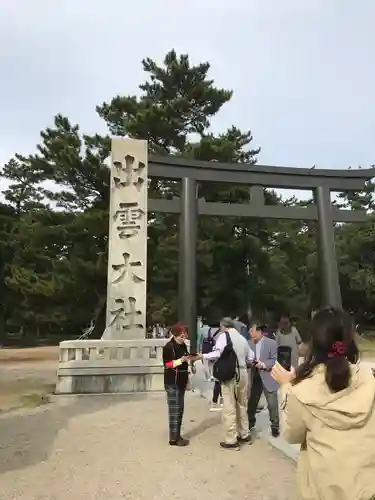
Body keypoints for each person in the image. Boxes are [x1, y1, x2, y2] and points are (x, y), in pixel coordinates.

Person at [271, 307, 375, 500]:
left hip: (324, 489)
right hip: (367, 487)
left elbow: (291, 434)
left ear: (315, 341)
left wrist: (287, 387)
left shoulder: (302, 392)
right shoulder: (370, 378)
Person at [194, 317, 254, 449]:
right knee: (242, 405)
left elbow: (216, 353)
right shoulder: (242, 338)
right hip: (243, 373)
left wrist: (202, 356)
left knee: (229, 406)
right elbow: (251, 356)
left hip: (231, 374)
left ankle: (231, 439)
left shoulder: (224, 336)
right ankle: (244, 433)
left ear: (223, 326)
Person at [162, 323, 193, 447]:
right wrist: (181, 360)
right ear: (175, 335)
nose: (183, 338)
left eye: (184, 336)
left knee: (180, 409)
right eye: (181, 336)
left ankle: (177, 435)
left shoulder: (183, 345)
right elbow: (167, 364)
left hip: (182, 380)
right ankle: (173, 437)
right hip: (172, 382)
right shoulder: (168, 347)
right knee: (174, 410)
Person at [248, 321, 280, 437]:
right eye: (250, 331)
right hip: (254, 376)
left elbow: (275, 359)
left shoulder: (271, 343)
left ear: (260, 332)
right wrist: (250, 363)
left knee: (272, 403)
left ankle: (275, 426)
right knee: (252, 401)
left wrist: (264, 364)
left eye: (253, 330)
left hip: (268, 375)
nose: (251, 333)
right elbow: (246, 358)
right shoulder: (248, 343)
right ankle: (250, 422)